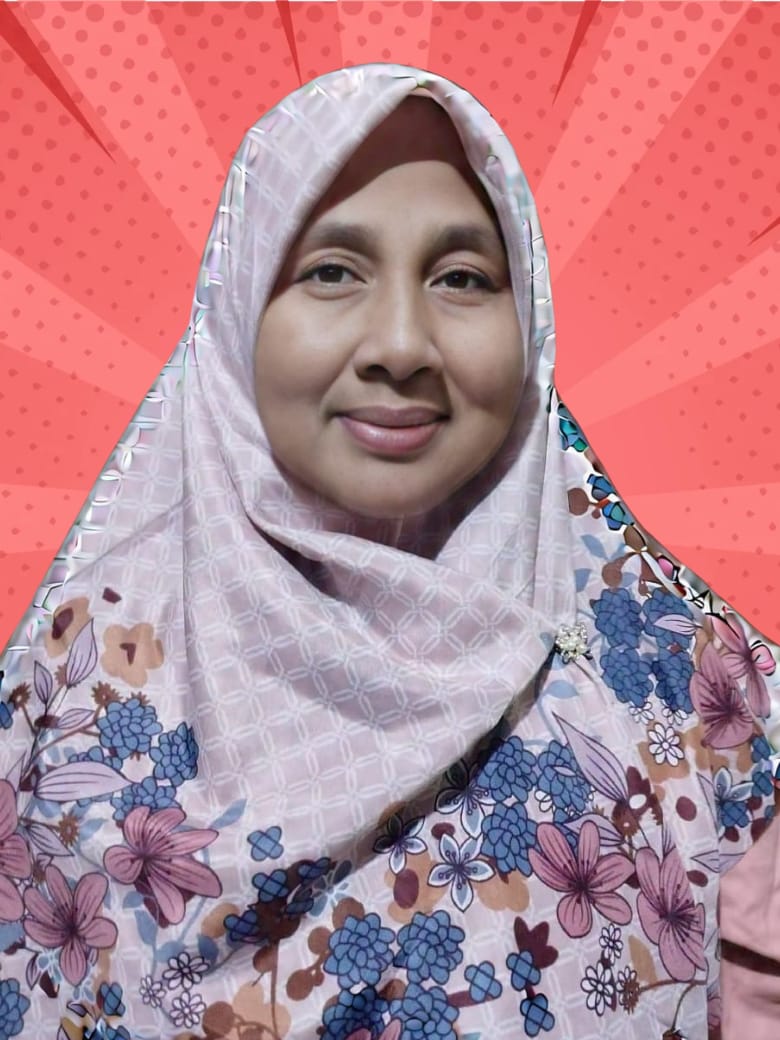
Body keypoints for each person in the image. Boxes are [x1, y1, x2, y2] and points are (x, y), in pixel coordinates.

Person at [0, 63, 776, 1040]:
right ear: (237, 311)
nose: (402, 344)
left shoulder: (688, 681)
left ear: (528, 318)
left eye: (462, 278)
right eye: (331, 271)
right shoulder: (85, 680)